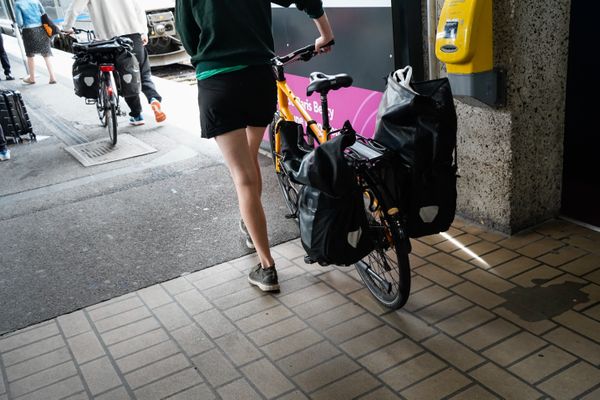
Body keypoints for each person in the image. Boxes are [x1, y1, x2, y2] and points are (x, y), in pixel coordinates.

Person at [175, 0, 334, 292]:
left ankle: (266, 267)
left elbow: (187, 37)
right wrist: (325, 33)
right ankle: (250, 228)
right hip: (258, 78)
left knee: (243, 177)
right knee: (249, 159)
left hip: (217, 82)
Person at [62, 0, 166, 126]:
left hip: (107, 40)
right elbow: (138, 9)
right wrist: (143, 31)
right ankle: (153, 98)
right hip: (133, 35)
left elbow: (74, 9)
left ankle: (137, 115)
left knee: (123, 78)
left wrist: (67, 28)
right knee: (140, 72)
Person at [14, 0, 57, 84]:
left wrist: (21, 25)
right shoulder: (35, 1)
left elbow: (20, 22)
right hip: (41, 29)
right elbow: (43, 13)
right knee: (46, 54)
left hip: (29, 31)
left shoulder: (18, 3)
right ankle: (52, 77)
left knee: (30, 55)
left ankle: (32, 78)